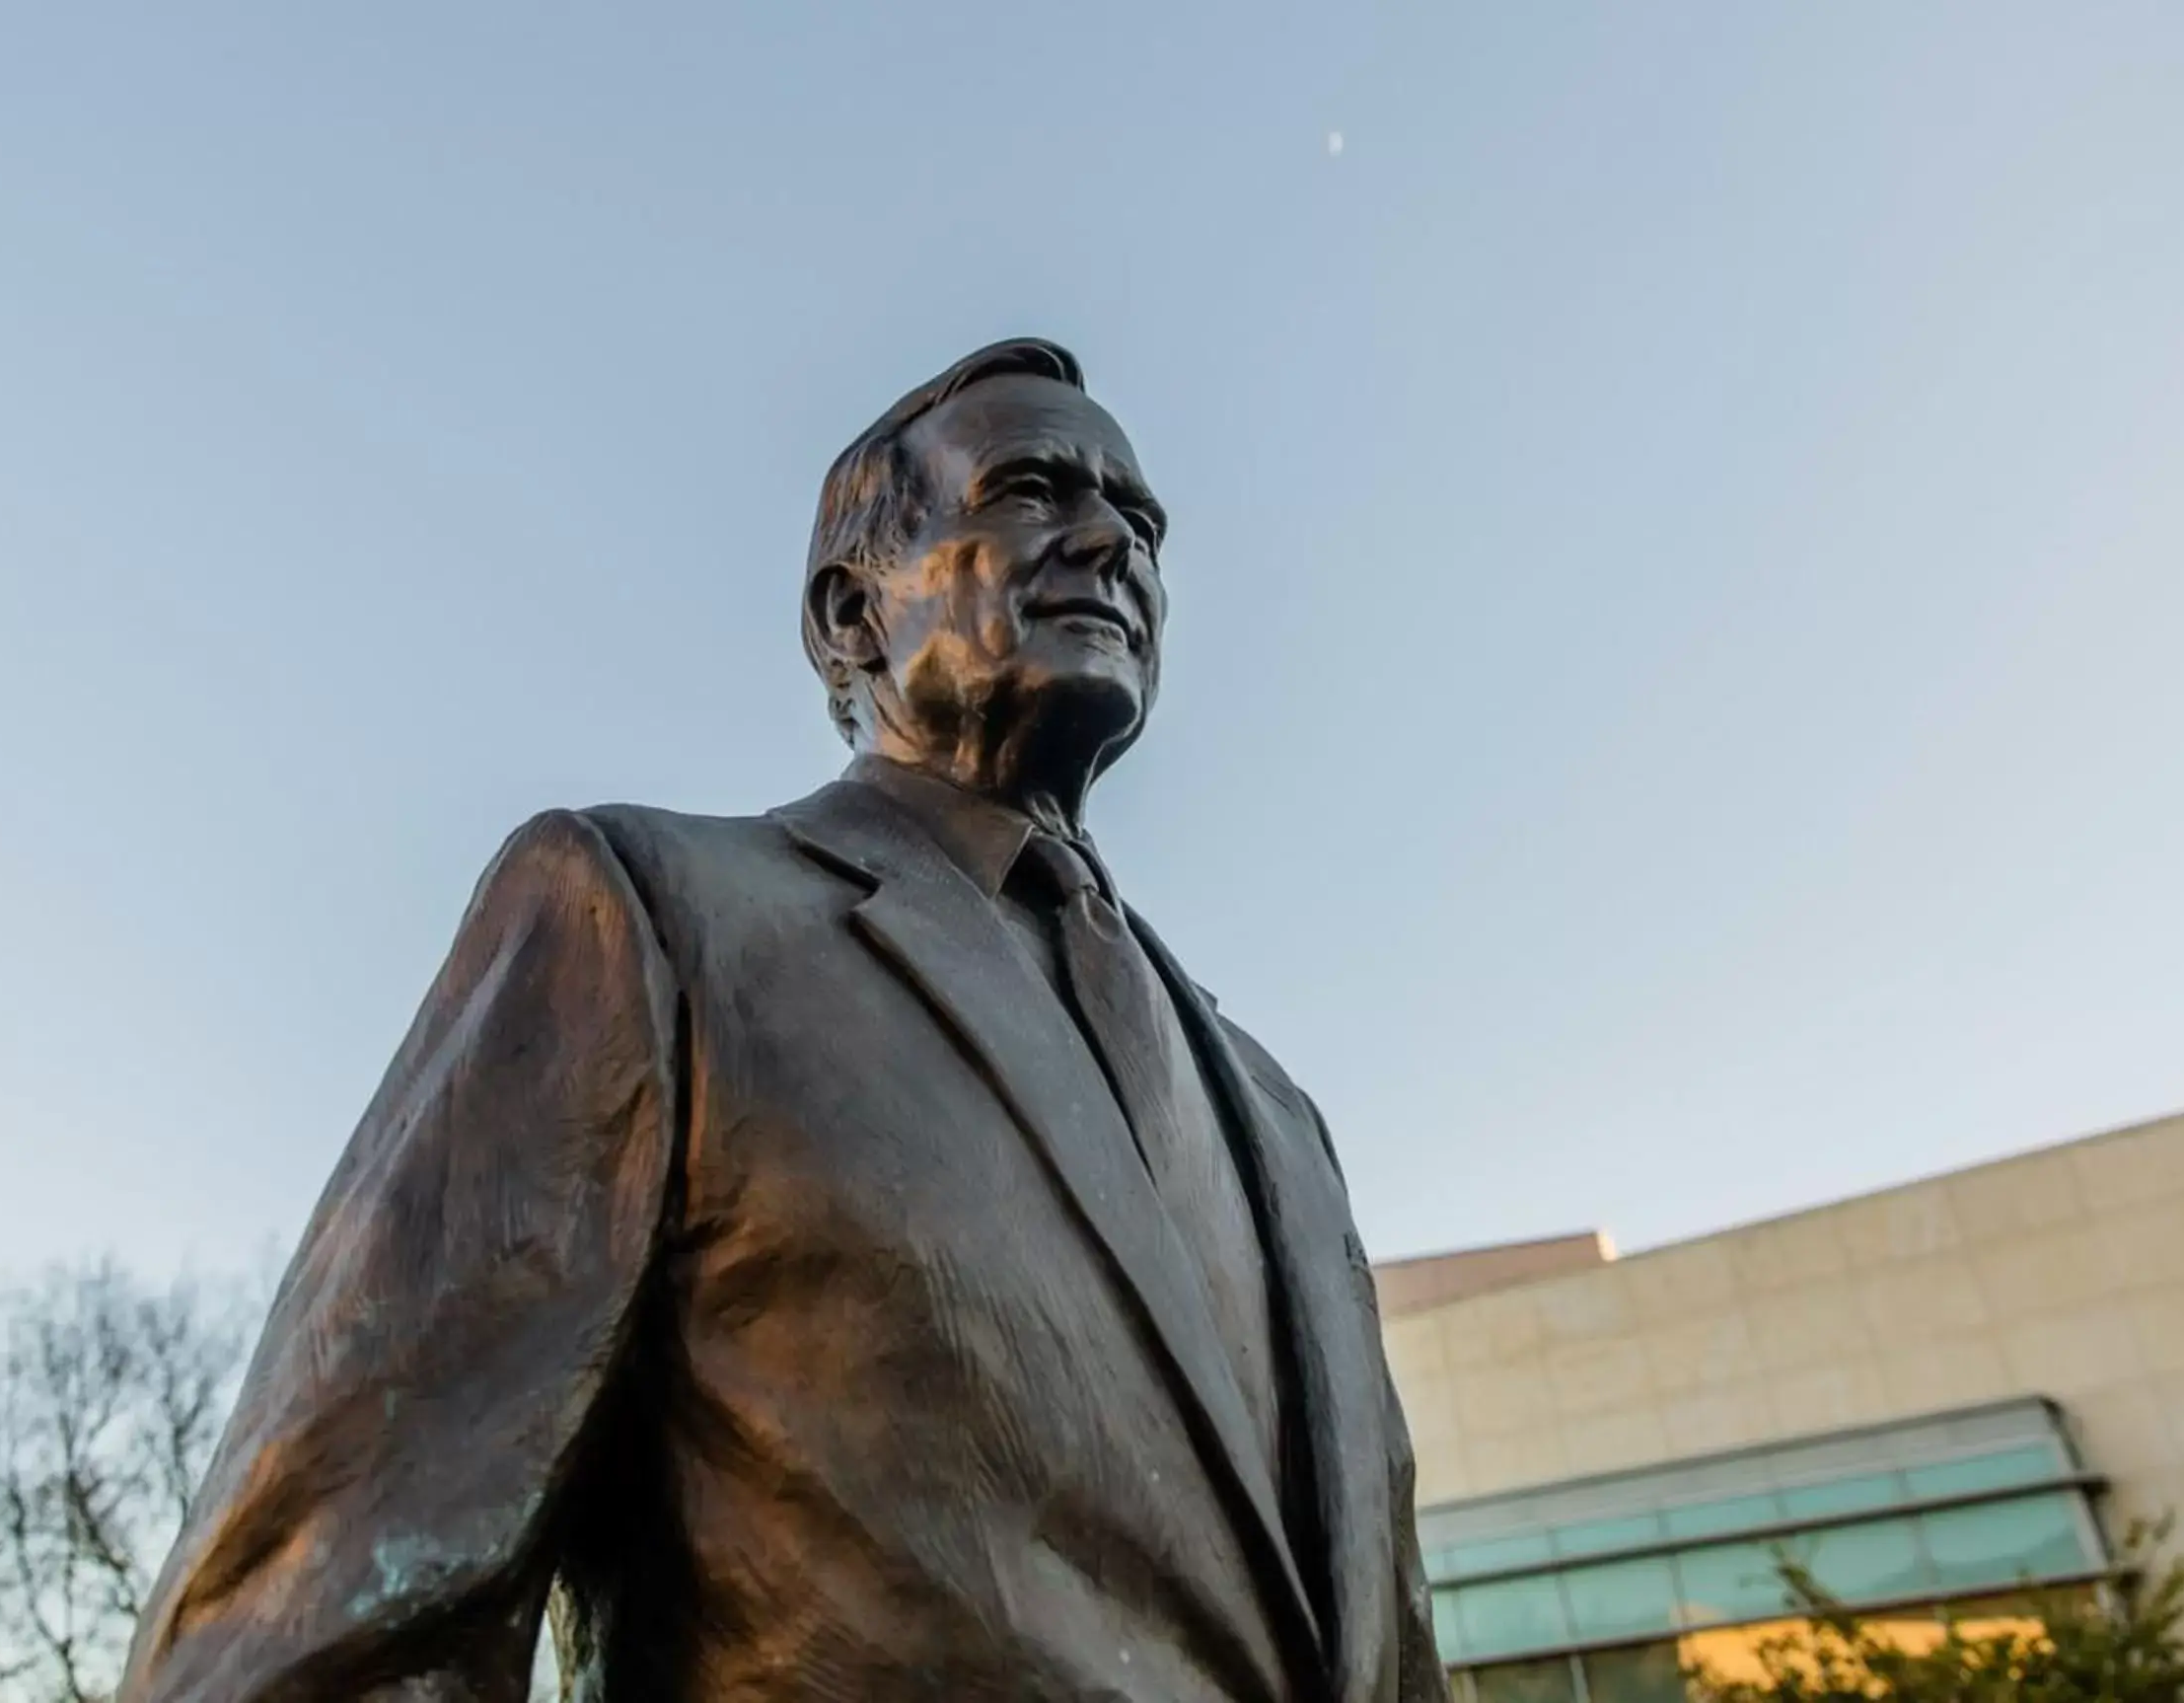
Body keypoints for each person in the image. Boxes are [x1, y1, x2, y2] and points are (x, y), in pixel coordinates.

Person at [117, 338, 1445, 1703]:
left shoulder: (1281, 1126)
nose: (1110, 539)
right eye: (1032, 491)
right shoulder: (647, 918)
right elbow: (321, 1633)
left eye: (1141, 520)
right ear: (850, 614)